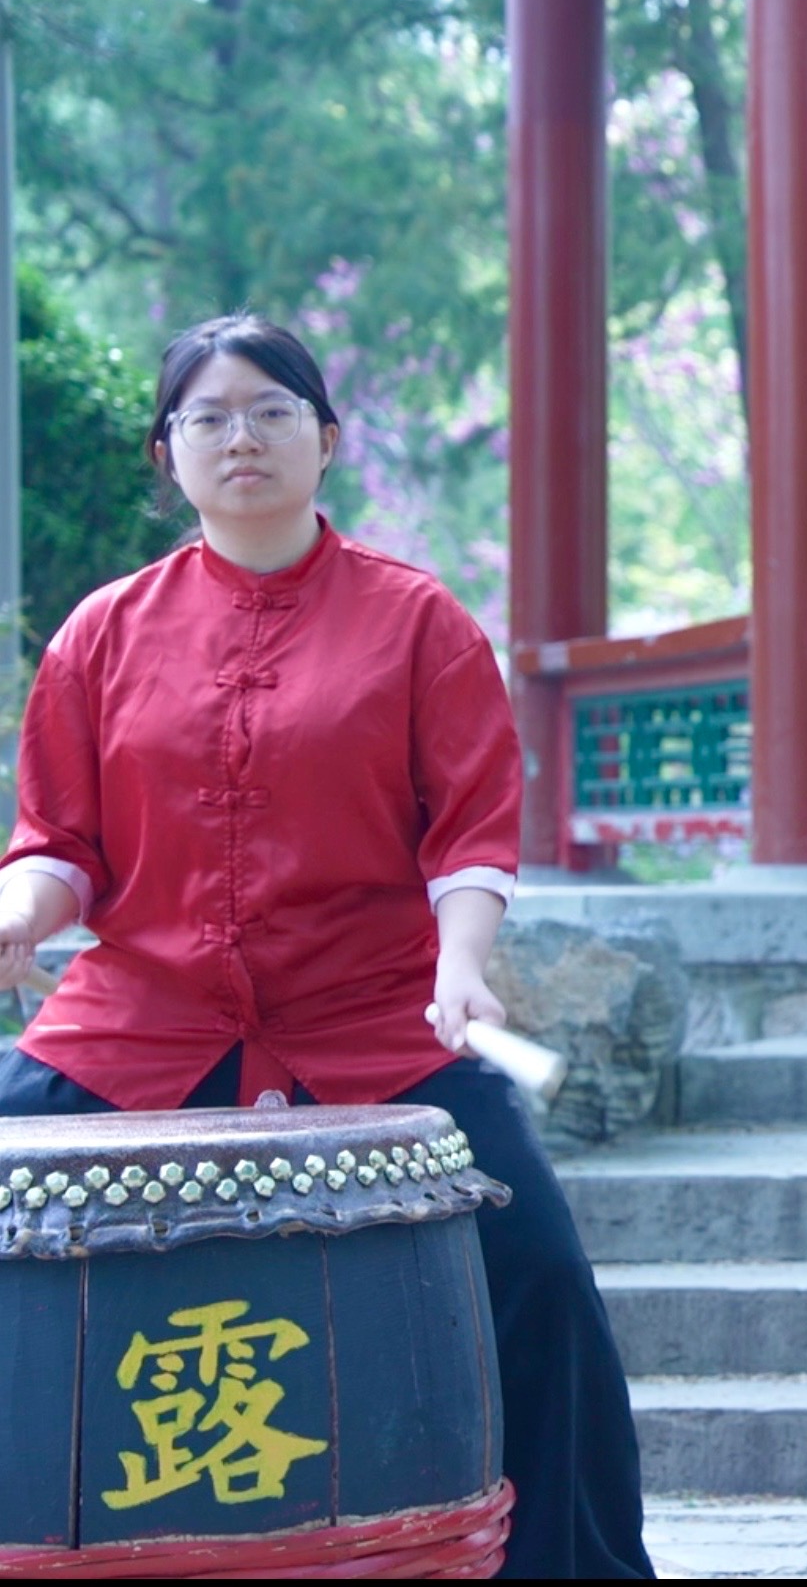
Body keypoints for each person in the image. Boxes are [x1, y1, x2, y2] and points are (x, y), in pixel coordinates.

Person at [0, 315, 653, 1580]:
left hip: (376, 1017)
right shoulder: (101, 632)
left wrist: (461, 966)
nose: (240, 437)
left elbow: (469, 833)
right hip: (143, 1015)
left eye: (271, 410)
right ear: (168, 453)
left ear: (328, 439)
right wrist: (21, 915)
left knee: (539, 1275)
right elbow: (59, 841)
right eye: (207, 417)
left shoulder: (418, 622)